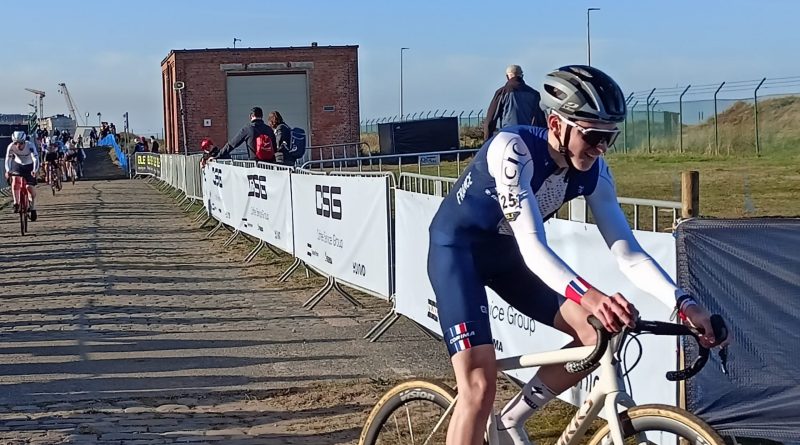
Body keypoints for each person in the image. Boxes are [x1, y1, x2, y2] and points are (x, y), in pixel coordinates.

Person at [428, 65, 722, 445]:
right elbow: (534, 248)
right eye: (594, 135)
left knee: (591, 332)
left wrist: (684, 303)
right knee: (480, 385)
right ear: (555, 124)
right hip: (459, 252)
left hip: (507, 255)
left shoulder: (594, 171)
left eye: (609, 138)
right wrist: (592, 296)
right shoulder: (513, 150)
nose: (600, 148)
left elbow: (628, 252)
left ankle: (510, 421)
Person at [483, 64, 547, 141]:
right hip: (528, 136)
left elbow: (490, 119)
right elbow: (541, 120)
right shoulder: (534, 94)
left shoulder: (502, 92)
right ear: (522, 76)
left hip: (508, 137)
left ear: (507, 77)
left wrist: (487, 141)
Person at [4, 131, 39, 221]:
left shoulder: (30, 145)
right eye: (16, 143)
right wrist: (8, 171)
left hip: (29, 165)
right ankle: (16, 203)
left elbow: (35, 159)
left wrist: (34, 170)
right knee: (15, 181)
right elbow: (7, 159)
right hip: (18, 164)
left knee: (29, 187)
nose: (18, 145)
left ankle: (33, 207)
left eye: (21, 143)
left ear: (24, 141)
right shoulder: (11, 147)